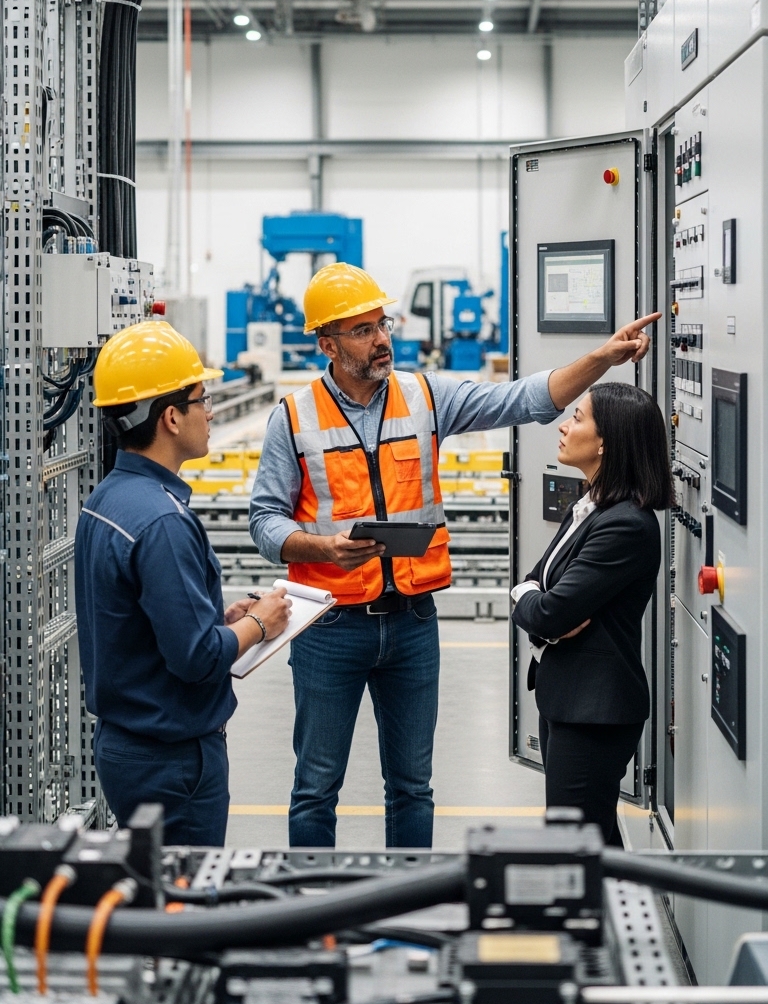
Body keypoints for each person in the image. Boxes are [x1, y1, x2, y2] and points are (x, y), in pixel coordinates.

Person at [249, 261, 660, 849]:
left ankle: (406, 917)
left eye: (381, 324)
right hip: (329, 624)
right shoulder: (293, 418)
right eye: (363, 330)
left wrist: (602, 358)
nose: (381, 339)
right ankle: (315, 918)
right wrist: (321, 548)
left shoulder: (425, 395)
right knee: (316, 784)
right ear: (327, 344)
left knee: (412, 785)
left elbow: (524, 399)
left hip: (414, 621)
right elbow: (263, 520)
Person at [75, 320, 292, 846]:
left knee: (155, 899)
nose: (211, 410)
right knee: (183, 908)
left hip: (127, 746)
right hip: (171, 760)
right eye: (202, 397)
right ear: (171, 417)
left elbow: (137, 622)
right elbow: (196, 659)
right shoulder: (163, 521)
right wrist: (261, 624)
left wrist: (219, 619)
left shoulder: (107, 500)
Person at [511, 382, 675, 846]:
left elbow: (547, 612)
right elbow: (536, 582)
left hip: (595, 711)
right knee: (591, 837)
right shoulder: (593, 505)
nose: (564, 425)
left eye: (578, 417)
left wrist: (535, 601)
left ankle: (598, 918)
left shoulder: (626, 524)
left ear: (607, 441)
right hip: (569, 697)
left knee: (575, 843)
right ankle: (616, 916)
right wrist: (533, 598)